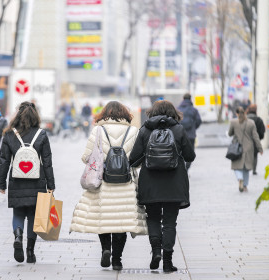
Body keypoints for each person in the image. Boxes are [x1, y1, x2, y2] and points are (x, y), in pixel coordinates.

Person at [70, 101, 148, 271]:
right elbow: (138, 160)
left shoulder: (98, 130)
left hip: (103, 183)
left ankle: (106, 249)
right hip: (126, 184)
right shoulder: (133, 131)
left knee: (104, 220)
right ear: (125, 114)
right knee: (121, 222)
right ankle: (117, 259)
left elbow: (86, 157)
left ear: (104, 114)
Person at [129, 100, 196, 272]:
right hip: (174, 184)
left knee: (152, 218)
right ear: (173, 112)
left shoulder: (144, 130)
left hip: (150, 183)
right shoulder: (179, 129)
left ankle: (156, 252)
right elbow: (190, 156)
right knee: (169, 223)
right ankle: (167, 261)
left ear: (153, 112)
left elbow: (133, 159)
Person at [0, 101, 55, 264]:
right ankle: (30, 252)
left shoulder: (9, 134)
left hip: (16, 180)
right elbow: (47, 162)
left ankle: (18, 236)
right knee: (33, 216)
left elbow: (4, 162)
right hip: (37, 181)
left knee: (18, 213)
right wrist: (51, 185)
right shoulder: (41, 134)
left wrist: (1, 186)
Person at [228, 107, 263, 192]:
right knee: (246, 168)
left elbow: (230, 133)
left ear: (237, 114)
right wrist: (260, 148)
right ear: (244, 113)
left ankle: (240, 178)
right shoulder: (251, 123)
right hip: (249, 147)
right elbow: (255, 136)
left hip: (237, 148)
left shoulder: (233, 122)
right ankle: (245, 186)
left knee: (236, 166)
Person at [177, 93, 201, 170]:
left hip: (179, 135)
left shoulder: (177, 109)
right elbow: (198, 121)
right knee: (190, 153)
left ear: (183, 99)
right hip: (191, 135)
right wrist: (194, 128)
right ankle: (186, 168)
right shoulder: (194, 110)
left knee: (180, 152)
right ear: (190, 99)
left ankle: (182, 169)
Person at [246, 104, 265, 175]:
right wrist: (260, 138)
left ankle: (246, 168)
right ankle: (254, 170)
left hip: (246, 140)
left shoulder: (245, 119)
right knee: (254, 155)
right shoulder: (259, 120)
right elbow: (262, 131)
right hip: (255, 141)